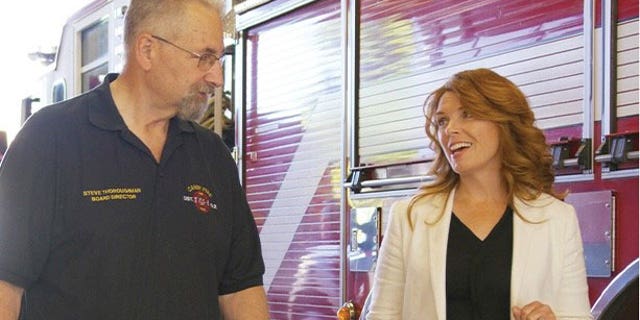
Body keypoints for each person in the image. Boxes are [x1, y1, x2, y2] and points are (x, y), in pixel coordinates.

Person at [0, 0, 269, 319]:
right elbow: (6, 284)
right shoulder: (50, 139)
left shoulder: (211, 156)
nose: (217, 78)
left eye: (218, 59)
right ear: (147, 50)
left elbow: (241, 289)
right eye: (205, 58)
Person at [365, 68, 592, 320]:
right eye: (442, 121)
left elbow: (577, 316)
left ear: (503, 122)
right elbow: (382, 315)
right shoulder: (409, 217)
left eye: (467, 114)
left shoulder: (558, 218)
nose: (450, 129)